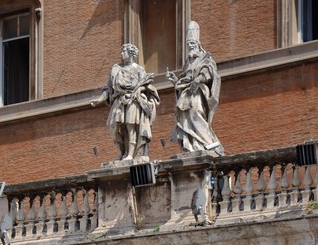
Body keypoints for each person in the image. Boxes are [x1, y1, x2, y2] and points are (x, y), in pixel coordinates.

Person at [91, 44, 160, 161]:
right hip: (119, 100)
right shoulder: (116, 69)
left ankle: (130, 154)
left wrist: (139, 89)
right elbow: (108, 88)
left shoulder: (139, 69)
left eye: (124, 51)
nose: (121, 54)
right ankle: (123, 151)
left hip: (133, 100)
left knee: (130, 126)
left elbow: (146, 85)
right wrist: (99, 99)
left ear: (131, 53)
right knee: (113, 126)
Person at [166, 22, 223, 156]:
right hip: (186, 94)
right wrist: (175, 80)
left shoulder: (205, 57)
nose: (190, 46)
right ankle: (191, 146)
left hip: (198, 92)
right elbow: (184, 79)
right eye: (188, 44)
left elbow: (209, 70)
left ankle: (206, 143)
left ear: (198, 44)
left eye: (192, 43)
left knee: (197, 113)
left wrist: (198, 79)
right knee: (184, 117)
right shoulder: (188, 63)